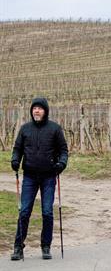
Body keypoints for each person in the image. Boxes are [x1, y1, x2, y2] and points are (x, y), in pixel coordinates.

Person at [10, 97, 68, 260]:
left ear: (45, 111)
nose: (36, 110)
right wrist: (15, 160)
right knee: (24, 211)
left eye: (40, 108)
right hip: (29, 176)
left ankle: (46, 246)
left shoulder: (55, 129)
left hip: (49, 177)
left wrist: (61, 164)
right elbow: (17, 149)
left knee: (47, 212)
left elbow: (64, 150)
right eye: (34, 108)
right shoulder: (25, 129)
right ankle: (18, 247)